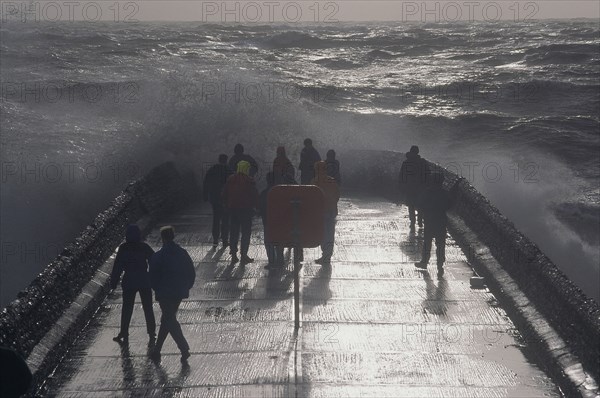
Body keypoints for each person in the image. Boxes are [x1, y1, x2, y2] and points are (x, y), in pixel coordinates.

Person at [149, 226, 196, 363]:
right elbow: (191, 272)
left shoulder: (158, 256)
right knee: (167, 319)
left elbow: (152, 276)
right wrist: (187, 286)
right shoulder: (183, 253)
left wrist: (156, 288)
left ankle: (184, 348)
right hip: (179, 292)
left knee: (169, 320)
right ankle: (157, 351)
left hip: (164, 292)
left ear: (162, 238)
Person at [110, 224, 156, 347]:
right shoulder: (144, 247)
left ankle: (124, 332)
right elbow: (154, 261)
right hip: (144, 279)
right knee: (148, 308)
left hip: (129, 280)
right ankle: (152, 332)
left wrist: (113, 282)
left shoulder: (123, 248)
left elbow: (118, 266)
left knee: (127, 308)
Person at [414, 173, 463, 277]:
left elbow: (420, 205)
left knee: (427, 242)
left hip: (429, 221)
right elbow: (449, 205)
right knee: (440, 244)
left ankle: (424, 262)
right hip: (441, 221)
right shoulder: (443, 193)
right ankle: (440, 265)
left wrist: (423, 214)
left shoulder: (427, 192)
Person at [223, 160, 259, 264]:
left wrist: (226, 205)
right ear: (246, 169)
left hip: (233, 210)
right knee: (246, 233)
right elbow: (254, 195)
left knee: (234, 232)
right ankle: (244, 255)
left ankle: (234, 255)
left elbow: (224, 193)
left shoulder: (230, 179)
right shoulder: (249, 180)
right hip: (246, 211)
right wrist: (257, 207)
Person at [312, 161, 340, 265]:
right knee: (329, 234)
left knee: (322, 234)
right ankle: (327, 256)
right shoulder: (332, 181)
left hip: (321, 212)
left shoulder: (314, 182)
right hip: (331, 211)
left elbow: (312, 198)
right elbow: (337, 195)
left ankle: (325, 256)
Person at [203, 154, 233, 247]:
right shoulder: (229, 170)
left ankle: (215, 240)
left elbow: (206, 182)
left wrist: (205, 195)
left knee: (216, 218)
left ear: (219, 159)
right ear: (226, 160)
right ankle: (224, 240)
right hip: (225, 199)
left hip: (214, 198)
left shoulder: (212, 170)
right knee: (225, 219)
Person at [399, 145, 430, 229]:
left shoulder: (406, 163)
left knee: (411, 206)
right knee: (420, 205)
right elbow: (428, 174)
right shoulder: (423, 162)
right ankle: (420, 221)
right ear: (417, 152)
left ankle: (412, 221)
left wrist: (402, 187)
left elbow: (402, 176)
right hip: (420, 188)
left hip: (410, 188)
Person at [260, 172, 284, 269]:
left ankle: (272, 262)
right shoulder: (281, 193)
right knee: (279, 240)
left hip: (267, 221)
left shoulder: (264, 193)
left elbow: (260, 208)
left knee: (269, 241)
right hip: (280, 221)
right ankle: (280, 259)